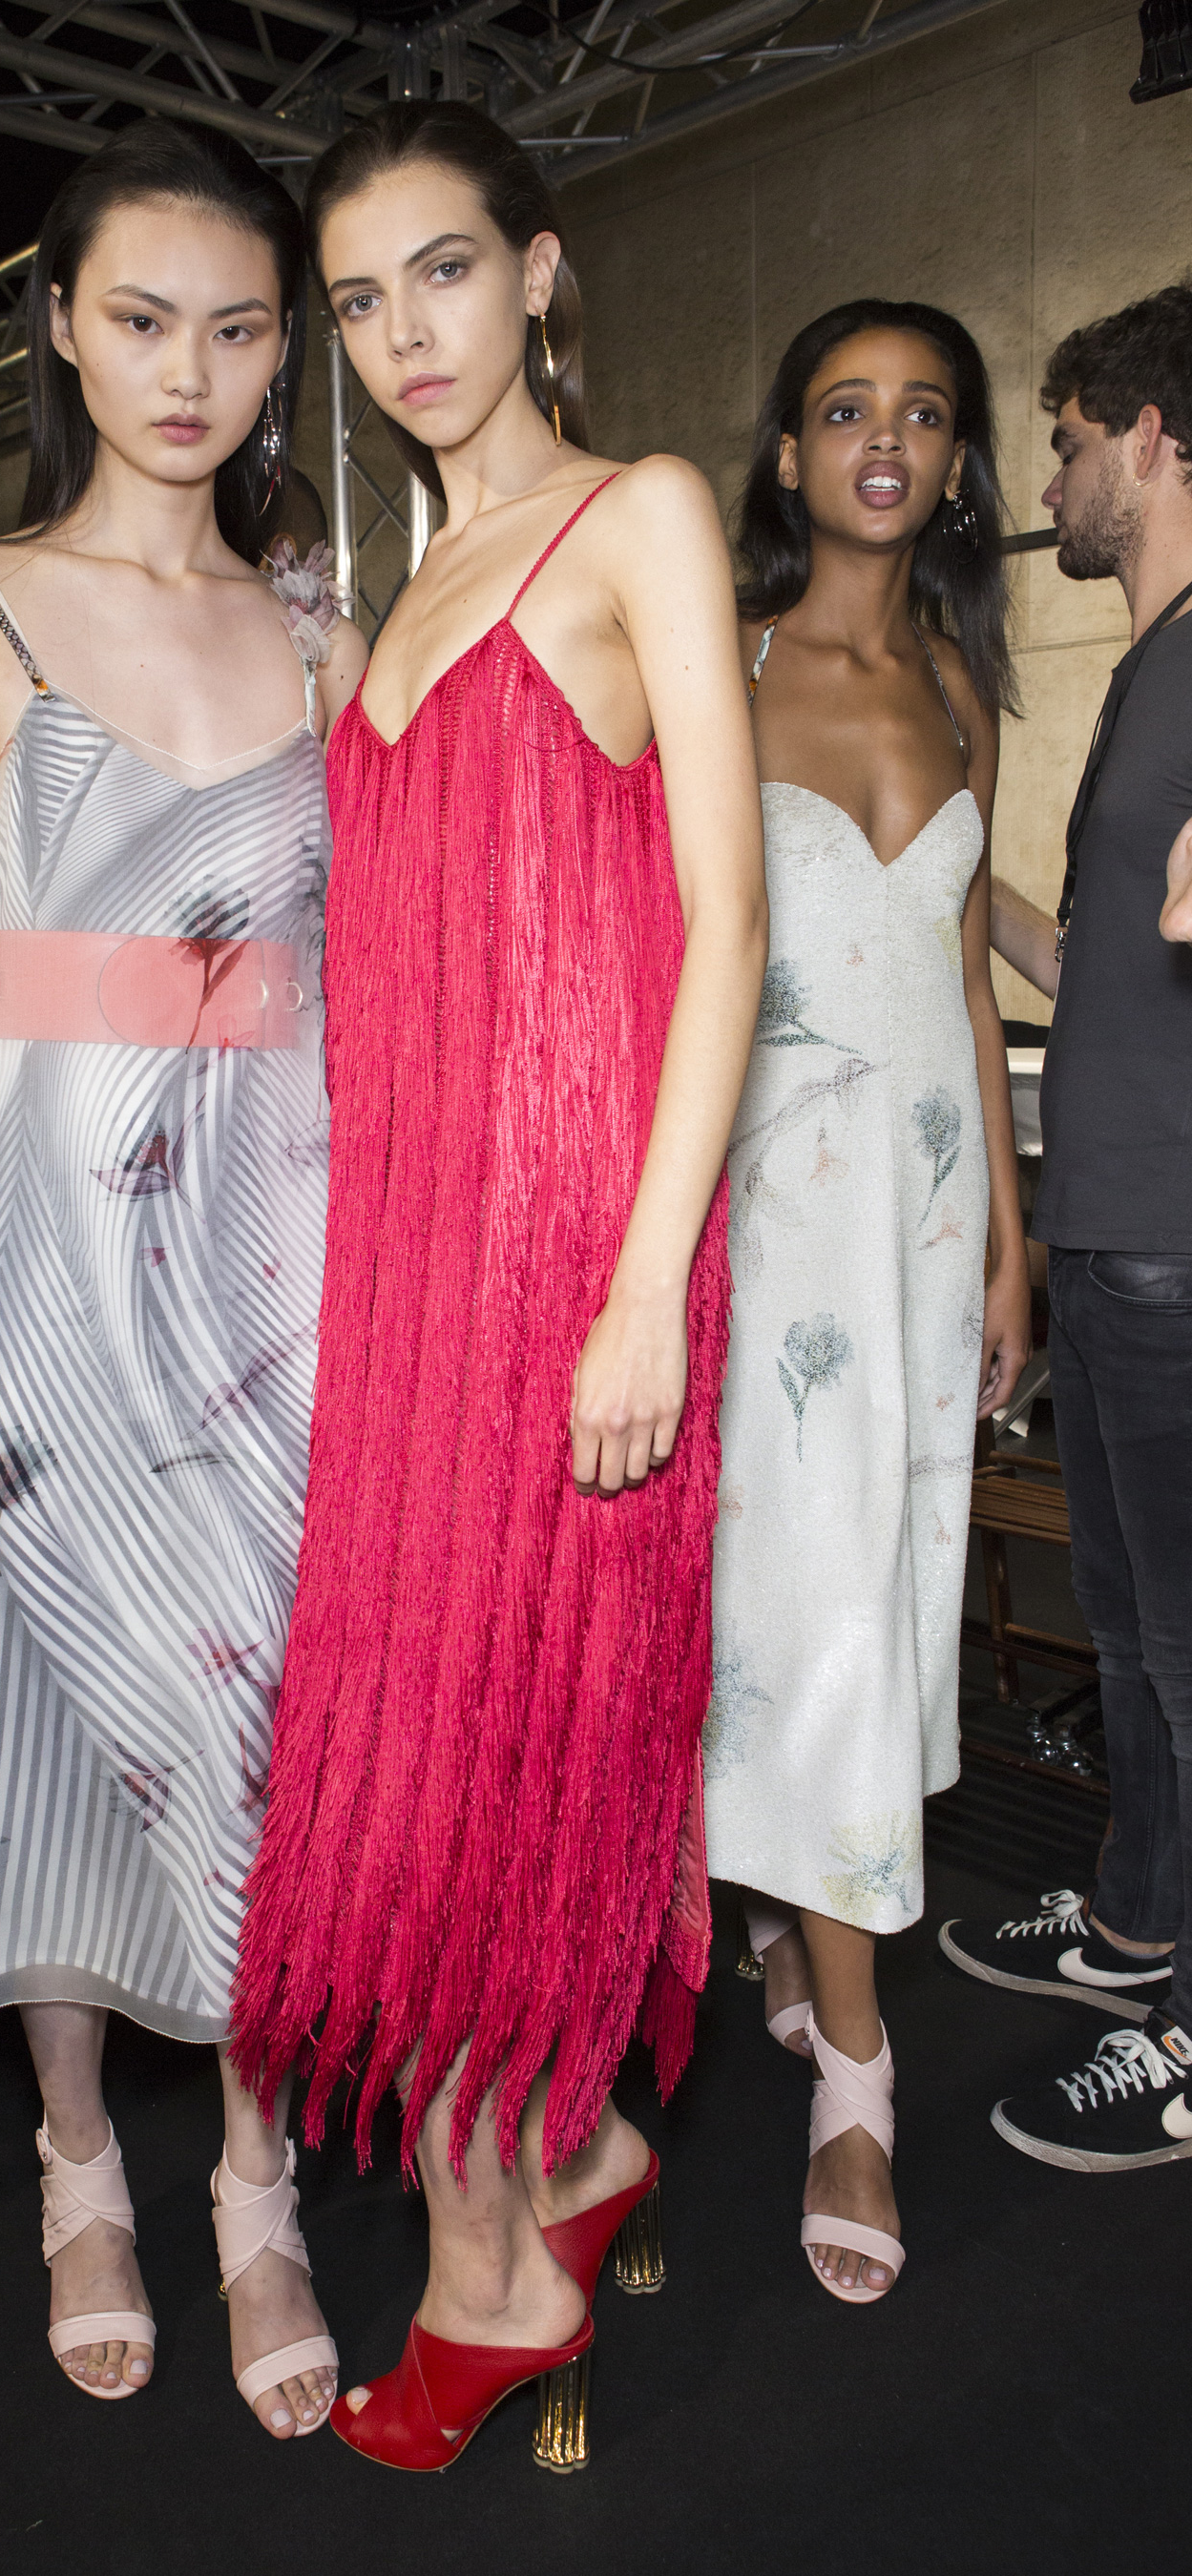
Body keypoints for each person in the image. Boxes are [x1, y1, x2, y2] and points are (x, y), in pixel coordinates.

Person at [229, 101, 767, 2473]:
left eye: (443, 271)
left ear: (540, 271)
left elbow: (729, 929)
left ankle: (493, 2268)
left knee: (500, 1757)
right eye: (358, 300)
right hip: (407, 1286)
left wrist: (647, 1288)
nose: (403, 335)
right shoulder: (392, 596)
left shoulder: (637, 514)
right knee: (420, 1749)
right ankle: (569, 2147)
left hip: (578, 1267)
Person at [0, 123, 365, 2436]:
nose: (189, 371)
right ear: (59, 324)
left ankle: (255, 2171)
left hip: (270, 1239)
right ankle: (77, 2158)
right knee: (37, 1697)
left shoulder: (328, 629)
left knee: (265, 1712)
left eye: (239, 328)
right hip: (23, 1229)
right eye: (143, 319)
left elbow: (368, 980)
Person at [703, 301, 1030, 2302]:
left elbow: (964, 983)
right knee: (791, 1604)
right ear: (789, 456)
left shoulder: (962, 682)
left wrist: (1006, 1234)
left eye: (923, 414)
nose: (884, 439)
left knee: (871, 1607)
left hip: (920, 1231)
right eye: (845, 410)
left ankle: (783, 1918)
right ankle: (857, 2065)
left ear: (960, 463)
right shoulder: (724, 668)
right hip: (765, 1230)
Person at [944, 282, 1192, 2171]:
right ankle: (1138, 1925)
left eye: (1070, 442)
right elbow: (1101, 953)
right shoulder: (1150, 664)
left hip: (1181, 1240)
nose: (1050, 484)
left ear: (1156, 437)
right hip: (1110, 1235)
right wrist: (958, 883)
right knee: (1128, 1635)